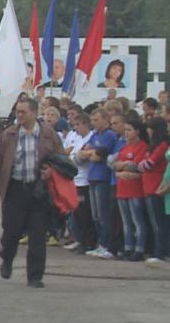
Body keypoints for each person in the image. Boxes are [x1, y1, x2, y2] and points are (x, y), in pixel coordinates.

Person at [0, 96, 61, 287]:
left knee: (38, 234)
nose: (20, 115)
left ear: (34, 113)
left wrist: (52, 171)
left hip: (38, 190)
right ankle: (7, 258)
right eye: (18, 112)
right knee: (11, 231)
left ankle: (35, 276)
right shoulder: (9, 134)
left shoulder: (48, 134)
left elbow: (61, 158)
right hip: (15, 189)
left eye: (23, 112)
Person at [80, 108, 119, 260]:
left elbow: (99, 155)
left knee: (104, 214)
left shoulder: (109, 135)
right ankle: (100, 244)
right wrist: (91, 153)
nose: (93, 123)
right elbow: (84, 152)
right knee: (95, 214)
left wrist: (91, 153)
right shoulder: (95, 134)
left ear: (105, 119)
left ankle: (107, 245)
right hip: (92, 176)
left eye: (96, 120)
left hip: (103, 177)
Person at [112, 116, 149, 261]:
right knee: (126, 221)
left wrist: (124, 165)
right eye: (125, 130)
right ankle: (128, 247)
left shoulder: (142, 146)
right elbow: (115, 165)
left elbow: (136, 166)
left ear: (137, 132)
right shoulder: (125, 147)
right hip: (122, 188)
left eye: (129, 130)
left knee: (137, 220)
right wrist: (124, 167)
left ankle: (139, 248)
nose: (126, 133)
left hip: (135, 189)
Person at [62, 113, 96, 254]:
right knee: (76, 212)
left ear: (86, 124)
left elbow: (82, 157)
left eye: (78, 125)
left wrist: (76, 157)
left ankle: (88, 242)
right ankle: (79, 239)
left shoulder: (91, 137)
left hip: (85, 180)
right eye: (74, 125)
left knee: (85, 213)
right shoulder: (76, 138)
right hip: (75, 179)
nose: (76, 128)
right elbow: (70, 155)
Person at [138, 119, 169, 264]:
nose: (148, 131)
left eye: (150, 128)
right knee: (155, 221)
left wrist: (140, 165)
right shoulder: (153, 145)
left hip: (156, 186)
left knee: (158, 222)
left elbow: (149, 163)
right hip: (148, 186)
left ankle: (160, 252)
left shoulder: (162, 144)